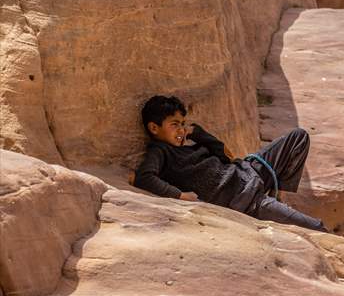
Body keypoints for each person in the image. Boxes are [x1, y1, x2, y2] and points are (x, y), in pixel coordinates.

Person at [134, 95, 328, 232]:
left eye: (183, 124)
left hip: (249, 170)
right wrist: (180, 195)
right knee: (316, 227)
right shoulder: (160, 151)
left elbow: (224, 154)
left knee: (298, 137)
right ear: (154, 128)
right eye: (174, 124)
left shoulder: (189, 145)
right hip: (247, 200)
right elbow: (145, 177)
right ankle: (273, 204)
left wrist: (198, 133)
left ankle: (278, 195)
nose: (181, 130)